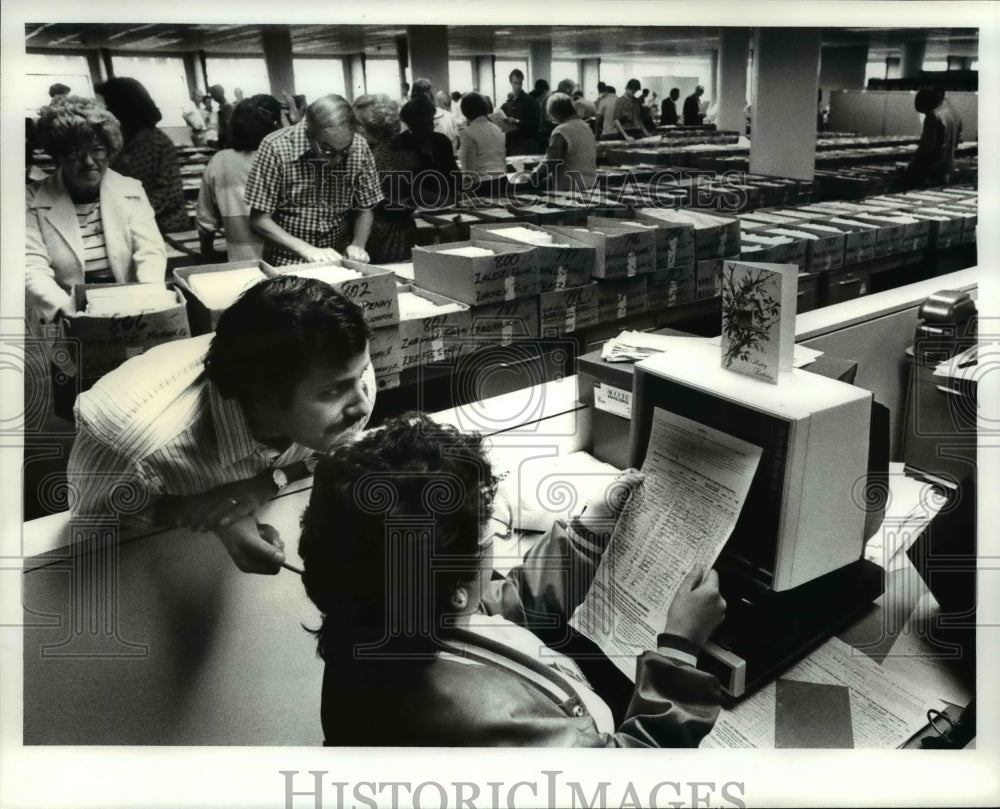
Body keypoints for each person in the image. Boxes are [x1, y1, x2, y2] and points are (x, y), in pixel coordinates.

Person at [298, 413, 726, 746]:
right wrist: (680, 651)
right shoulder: (477, 724)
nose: (498, 534)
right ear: (454, 586)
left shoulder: (382, 617)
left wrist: (588, 530)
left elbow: (504, 607)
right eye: (491, 528)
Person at [67, 275, 376, 574]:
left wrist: (263, 485)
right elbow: (95, 517)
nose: (362, 405)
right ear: (264, 395)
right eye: (332, 392)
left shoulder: (347, 372)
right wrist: (211, 514)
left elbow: (331, 455)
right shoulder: (128, 442)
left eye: (360, 376)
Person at [26, 95, 168, 419]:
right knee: (79, 404)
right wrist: (75, 313)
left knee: (135, 401)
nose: (89, 161)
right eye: (76, 153)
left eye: (98, 150)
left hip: (129, 312)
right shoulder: (32, 198)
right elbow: (30, 266)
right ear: (59, 154)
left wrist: (148, 298)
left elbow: (150, 250)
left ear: (110, 150)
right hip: (65, 316)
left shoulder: (130, 188)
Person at [245, 94, 382, 266]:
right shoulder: (276, 147)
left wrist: (358, 245)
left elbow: (365, 208)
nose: (337, 160)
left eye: (344, 151)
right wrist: (306, 250)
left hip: (337, 260)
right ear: (309, 132)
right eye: (328, 150)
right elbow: (259, 221)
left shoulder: (359, 146)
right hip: (287, 262)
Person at [363, 96, 459, 263]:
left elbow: (454, 173)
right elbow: (408, 189)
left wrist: (456, 196)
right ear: (411, 124)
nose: (428, 127)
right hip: (417, 213)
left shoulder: (441, 141)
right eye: (421, 124)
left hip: (445, 208)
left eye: (430, 122)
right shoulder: (399, 146)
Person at [96, 77, 190, 234]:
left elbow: (168, 193)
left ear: (127, 106)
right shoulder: (116, 141)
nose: (108, 109)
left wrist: (130, 214)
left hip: (163, 228)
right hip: (126, 226)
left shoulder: (158, 143)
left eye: (110, 104)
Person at [195, 94, 282, 261]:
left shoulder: (219, 161)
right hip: (289, 263)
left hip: (242, 263)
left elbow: (205, 222)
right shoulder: (282, 158)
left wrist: (207, 253)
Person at [529, 92, 597, 192]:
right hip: (590, 184)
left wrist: (534, 176)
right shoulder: (586, 127)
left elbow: (551, 161)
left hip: (570, 188)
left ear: (555, 112)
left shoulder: (561, 130)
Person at [903, 87, 963, 188]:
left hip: (930, 171)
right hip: (947, 167)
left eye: (925, 111)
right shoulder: (953, 112)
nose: (925, 114)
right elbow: (958, 139)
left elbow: (926, 148)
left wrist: (910, 167)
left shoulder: (933, 116)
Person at [456, 91, 506, 193]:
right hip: (502, 182)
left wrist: (464, 191)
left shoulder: (468, 133)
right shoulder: (498, 129)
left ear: (465, 111)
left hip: (481, 185)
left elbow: (468, 169)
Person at [500, 69, 541, 156]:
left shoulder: (530, 101)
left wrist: (517, 121)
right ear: (510, 82)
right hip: (510, 144)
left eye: (520, 83)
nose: (518, 86)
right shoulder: (509, 102)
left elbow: (535, 125)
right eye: (515, 83)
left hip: (525, 145)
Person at [208, 84, 235, 149]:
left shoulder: (227, 107)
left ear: (221, 92)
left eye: (214, 93)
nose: (213, 97)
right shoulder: (223, 107)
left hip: (227, 143)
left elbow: (229, 128)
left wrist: (220, 143)